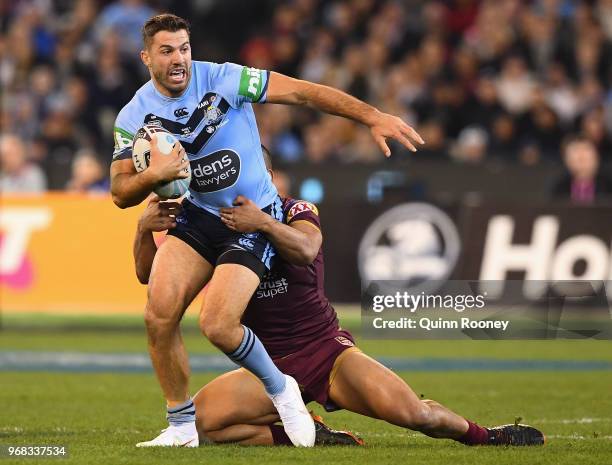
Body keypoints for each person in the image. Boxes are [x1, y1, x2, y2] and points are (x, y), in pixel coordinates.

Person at [110, 13, 424, 448]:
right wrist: (153, 176)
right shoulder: (133, 117)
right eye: (167, 50)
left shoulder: (225, 79)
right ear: (147, 57)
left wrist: (371, 116)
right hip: (200, 215)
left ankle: (282, 390)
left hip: (252, 213)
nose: (179, 58)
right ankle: (181, 426)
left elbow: (304, 93)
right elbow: (120, 192)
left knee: (218, 325)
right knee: (157, 314)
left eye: (183, 47)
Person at [133, 148, 545, 448]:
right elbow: (150, 279)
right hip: (266, 365)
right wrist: (142, 230)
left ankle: (486, 436)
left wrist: (260, 222)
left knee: (412, 414)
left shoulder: (295, 209)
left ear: (266, 175)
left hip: (326, 354)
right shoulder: (209, 226)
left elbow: (306, 249)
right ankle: (311, 433)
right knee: (201, 426)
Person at [551, 135, 612, 204]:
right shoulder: (559, 188)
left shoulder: (609, 184)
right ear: (566, 159)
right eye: (575, 151)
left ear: (597, 156)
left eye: (586, 150)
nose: (581, 155)